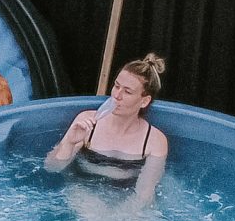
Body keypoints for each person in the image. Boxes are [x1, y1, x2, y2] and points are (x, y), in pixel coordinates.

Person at [46, 54, 170, 204]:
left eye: (127, 92)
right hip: (83, 194)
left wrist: (125, 219)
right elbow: (52, 168)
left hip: (124, 200)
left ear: (144, 101)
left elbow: (144, 194)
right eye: (116, 86)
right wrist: (69, 143)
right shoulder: (87, 121)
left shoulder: (155, 141)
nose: (117, 95)